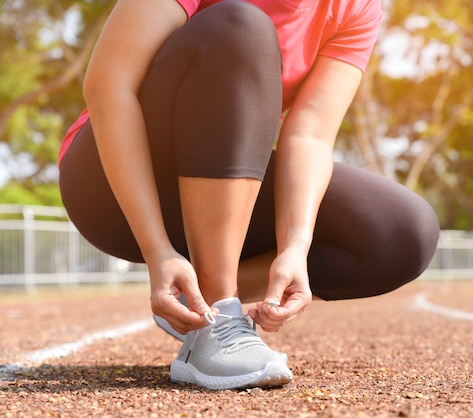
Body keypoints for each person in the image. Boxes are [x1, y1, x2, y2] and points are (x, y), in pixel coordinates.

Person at [58, 0, 440, 390]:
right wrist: (157, 250)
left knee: (402, 233)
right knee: (242, 25)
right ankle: (219, 316)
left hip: (222, 175)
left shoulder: (355, 7)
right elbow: (108, 86)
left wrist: (296, 246)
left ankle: (198, 300)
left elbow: (309, 134)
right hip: (109, 183)